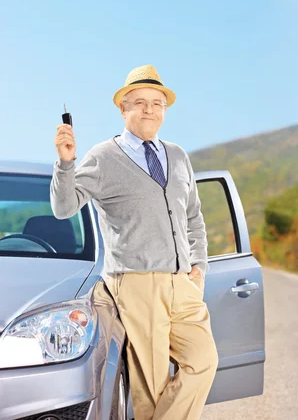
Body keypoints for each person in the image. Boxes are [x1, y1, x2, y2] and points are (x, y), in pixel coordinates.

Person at [50, 64, 219, 420]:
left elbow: (193, 218)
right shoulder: (103, 157)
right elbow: (64, 208)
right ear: (123, 108)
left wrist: (199, 267)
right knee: (150, 390)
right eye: (140, 103)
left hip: (183, 285)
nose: (150, 110)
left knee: (204, 362)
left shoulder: (177, 155)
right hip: (137, 284)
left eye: (158, 103)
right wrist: (66, 164)